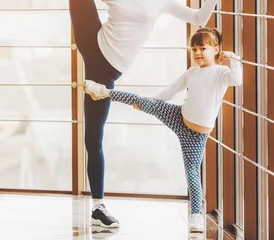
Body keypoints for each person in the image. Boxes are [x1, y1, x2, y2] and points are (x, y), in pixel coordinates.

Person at [51, 0, 229, 228]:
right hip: (94, 44)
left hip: (106, 70)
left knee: (93, 137)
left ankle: (97, 206)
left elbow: (198, 18)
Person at [84, 27, 242, 233]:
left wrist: (233, 59)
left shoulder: (222, 73)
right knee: (141, 101)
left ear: (216, 50)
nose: (197, 53)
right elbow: (169, 92)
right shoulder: (191, 72)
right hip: (178, 116)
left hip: (196, 135)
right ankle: (103, 92)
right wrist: (149, 103)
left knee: (192, 174)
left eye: (203, 48)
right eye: (193, 50)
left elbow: (237, 80)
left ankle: (196, 218)